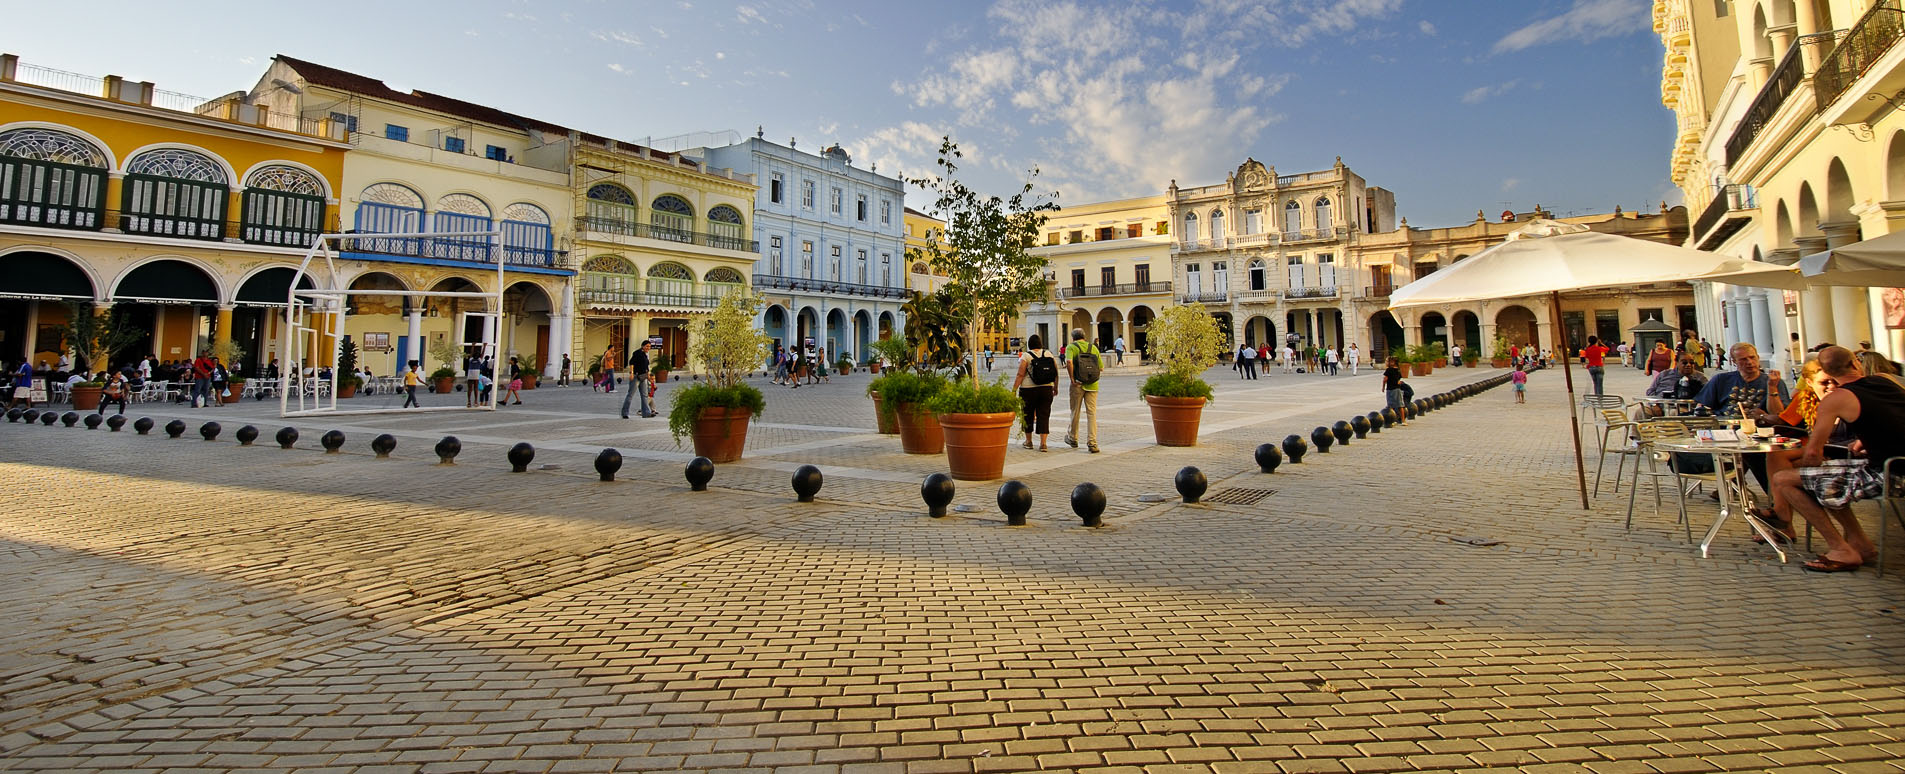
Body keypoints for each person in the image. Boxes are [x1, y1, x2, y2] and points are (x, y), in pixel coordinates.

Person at [1769, 346, 1905, 572]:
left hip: (1889, 473)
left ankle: (1840, 548)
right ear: (1855, 363)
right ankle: (1861, 544)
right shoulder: (1888, 380)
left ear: (1827, 372)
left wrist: (1810, 467)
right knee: (1828, 479)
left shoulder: (1838, 398)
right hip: (1894, 464)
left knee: (1785, 479)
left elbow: (1813, 453)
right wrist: (1865, 442)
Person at [1012, 334, 1058, 452]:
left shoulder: (1026, 356)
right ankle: (1043, 444)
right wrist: (1055, 387)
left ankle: (1029, 441)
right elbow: (1055, 372)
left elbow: (1020, 374)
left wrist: (1014, 389)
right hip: (1046, 388)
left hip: (1028, 389)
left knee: (1027, 414)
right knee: (1044, 414)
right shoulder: (1048, 354)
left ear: (1029, 344)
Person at [1063, 329, 1101, 453]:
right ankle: (1092, 442)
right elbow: (1100, 367)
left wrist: (1072, 379)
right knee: (1092, 413)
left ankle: (1073, 437)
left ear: (1073, 337)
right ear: (1084, 336)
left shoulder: (1071, 347)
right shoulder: (1093, 348)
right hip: (1093, 384)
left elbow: (1069, 362)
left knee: (1075, 411)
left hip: (1078, 384)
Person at [623, 340, 656, 418]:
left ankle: (646, 413)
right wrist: (631, 373)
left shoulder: (645, 355)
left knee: (644, 395)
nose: (648, 348)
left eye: (649, 347)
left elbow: (646, 368)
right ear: (643, 346)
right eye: (647, 346)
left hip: (643, 377)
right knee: (630, 395)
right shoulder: (637, 353)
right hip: (636, 376)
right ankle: (625, 413)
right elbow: (631, 363)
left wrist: (649, 378)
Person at [1382, 357, 1407, 425]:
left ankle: (1393, 420)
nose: (1386, 363)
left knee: (1391, 405)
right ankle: (1403, 420)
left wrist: (1383, 387)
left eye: (1387, 361)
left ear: (1392, 362)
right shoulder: (1398, 370)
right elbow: (1399, 380)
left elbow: (1385, 379)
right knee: (1400, 405)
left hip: (1390, 389)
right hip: (1398, 389)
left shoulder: (1388, 370)